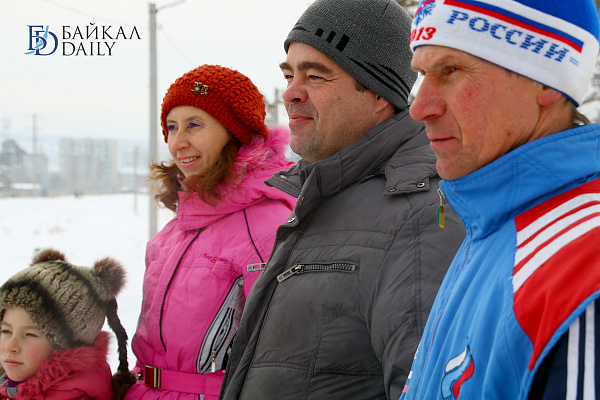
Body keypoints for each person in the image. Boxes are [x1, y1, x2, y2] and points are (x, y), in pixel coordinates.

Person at [218, 1, 466, 399]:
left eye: (316, 76)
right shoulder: (326, 193)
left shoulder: (420, 216)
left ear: (379, 92)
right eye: (289, 74)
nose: (290, 93)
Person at [400, 0, 600, 399]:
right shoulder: (492, 228)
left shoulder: (581, 267)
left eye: (451, 70)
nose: (419, 108)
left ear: (546, 82)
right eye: (422, 74)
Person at [123, 64, 295, 400]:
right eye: (172, 127)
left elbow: (283, 358)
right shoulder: (175, 230)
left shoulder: (267, 227)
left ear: (235, 132)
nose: (178, 142)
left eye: (194, 125)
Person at [0, 248, 132, 400]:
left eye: (30, 334)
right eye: (6, 331)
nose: (11, 346)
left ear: (65, 348)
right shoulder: (8, 388)